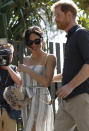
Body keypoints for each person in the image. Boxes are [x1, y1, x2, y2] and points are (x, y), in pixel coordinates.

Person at [51, 1, 89, 131]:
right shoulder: (71, 38)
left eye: (57, 15)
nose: (55, 19)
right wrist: (48, 79)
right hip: (67, 101)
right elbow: (69, 74)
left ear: (68, 15)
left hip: (81, 98)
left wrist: (70, 86)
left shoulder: (81, 34)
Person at [17, 26, 56, 131]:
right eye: (30, 43)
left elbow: (46, 82)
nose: (33, 45)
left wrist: (27, 70)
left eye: (36, 41)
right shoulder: (26, 60)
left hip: (41, 99)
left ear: (42, 40)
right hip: (27, 99)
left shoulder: (50, 58)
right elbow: (23, 82)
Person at [0, 43, 22, 131]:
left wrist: (8, 67)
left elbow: (20, 82)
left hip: (9, 110)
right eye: (4, 52)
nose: (8, 55)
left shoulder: (13, 68)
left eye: (10, 53)